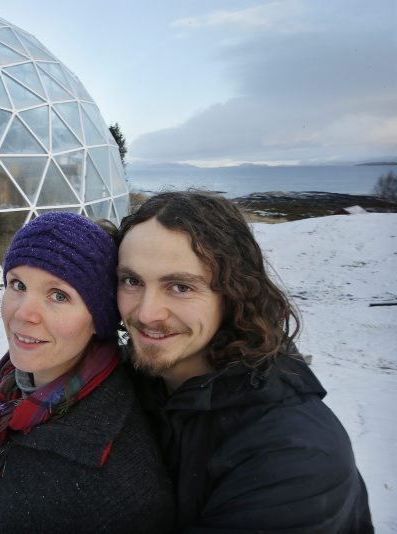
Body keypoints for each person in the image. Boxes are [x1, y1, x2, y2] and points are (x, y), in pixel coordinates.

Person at [117, 191, 373, 532]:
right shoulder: (130, 384)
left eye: (180, 287)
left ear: (234, 293)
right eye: (132, 281)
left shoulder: (296, 459)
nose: (147, 313)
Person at [0, 212, 175, 534]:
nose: (24, 313)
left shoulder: (104, 479)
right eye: (18, 284)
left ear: (99, 318)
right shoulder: (16, 391)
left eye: (59, 295)